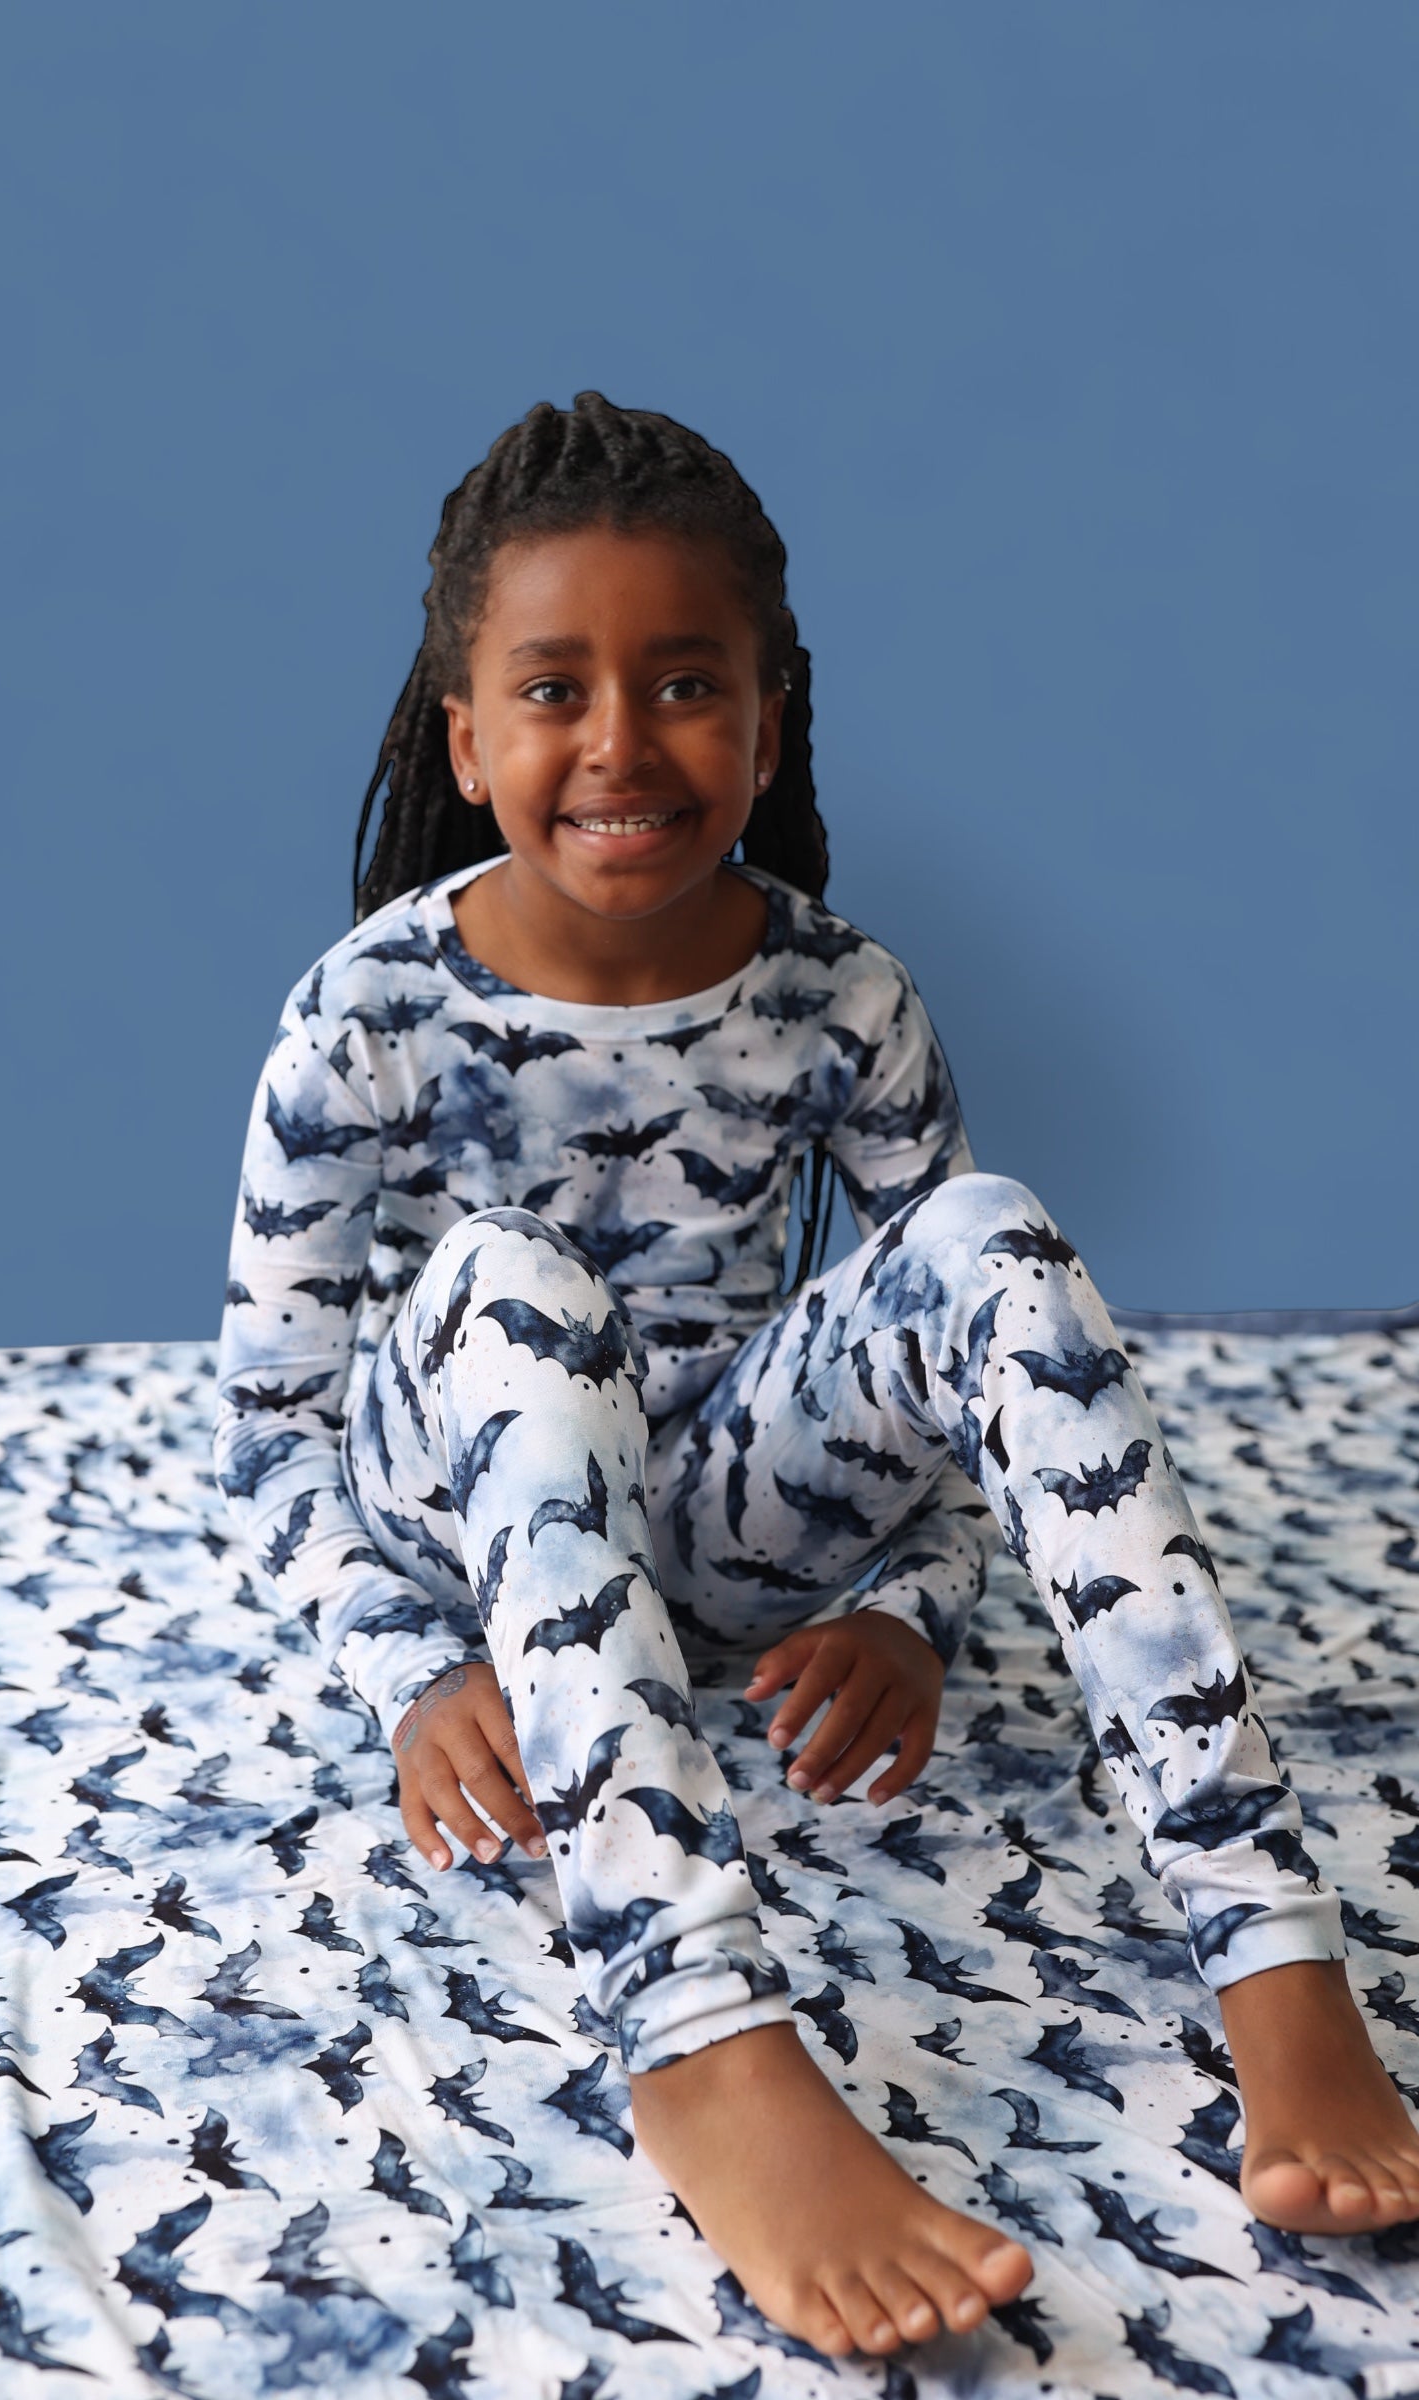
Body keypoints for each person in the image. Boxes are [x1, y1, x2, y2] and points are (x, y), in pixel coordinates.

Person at [214, 391, 1419, 2360]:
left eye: (685, 684)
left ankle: (1271, 1955)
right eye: (554, 689)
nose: (621, 742)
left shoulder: (842, 997)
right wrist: (414, 1668)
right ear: (465, 738)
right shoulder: (365, 1017)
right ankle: (699, 2041)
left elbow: (941, 1374)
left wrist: (903, 1607)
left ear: (767, 722)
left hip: (711, 1527)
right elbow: (275, 1440)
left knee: (990, 1230)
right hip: (476, 1521)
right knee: (516, 1285)